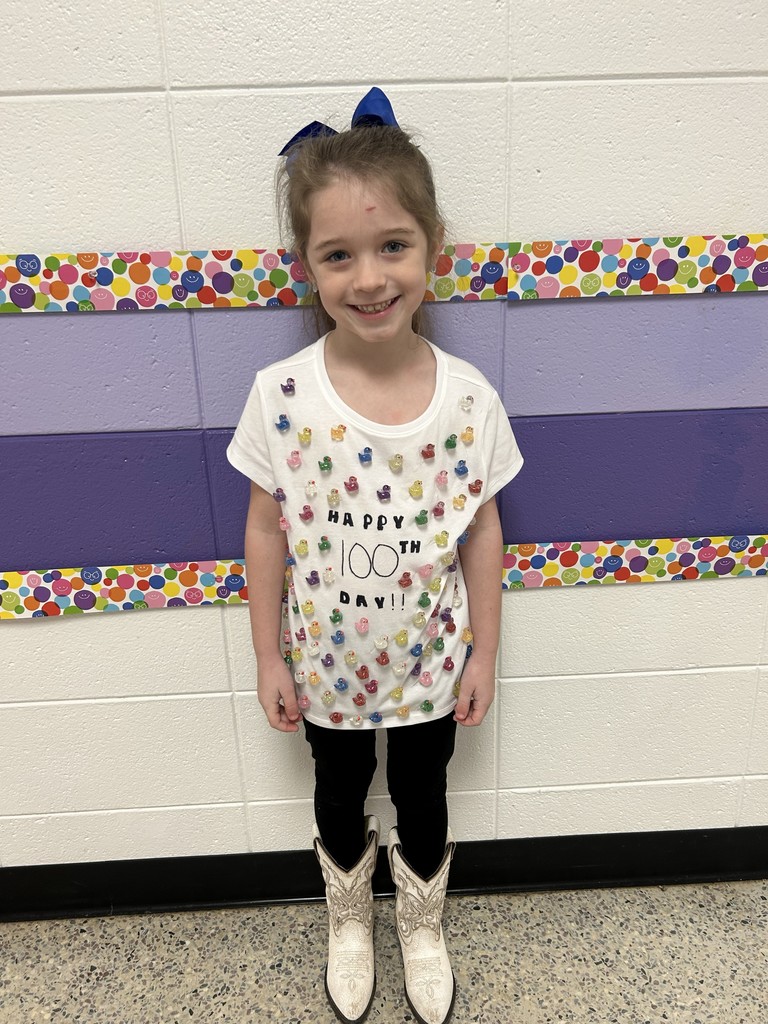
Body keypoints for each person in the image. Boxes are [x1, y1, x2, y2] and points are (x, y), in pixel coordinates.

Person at [227, 88, 524, 1024]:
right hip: (326, 672)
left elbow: (482, 528)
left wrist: (483, 651)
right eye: (338, 255)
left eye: (393, 245)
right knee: (338, 791)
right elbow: (265, 527)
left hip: (432, 670)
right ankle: (350, 916)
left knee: (427, 794)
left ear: (434, 245)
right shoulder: (281, 394)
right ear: (306, 267)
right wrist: (269, 655)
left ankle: (422, 924)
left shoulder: (470, 400)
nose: (369, 277)